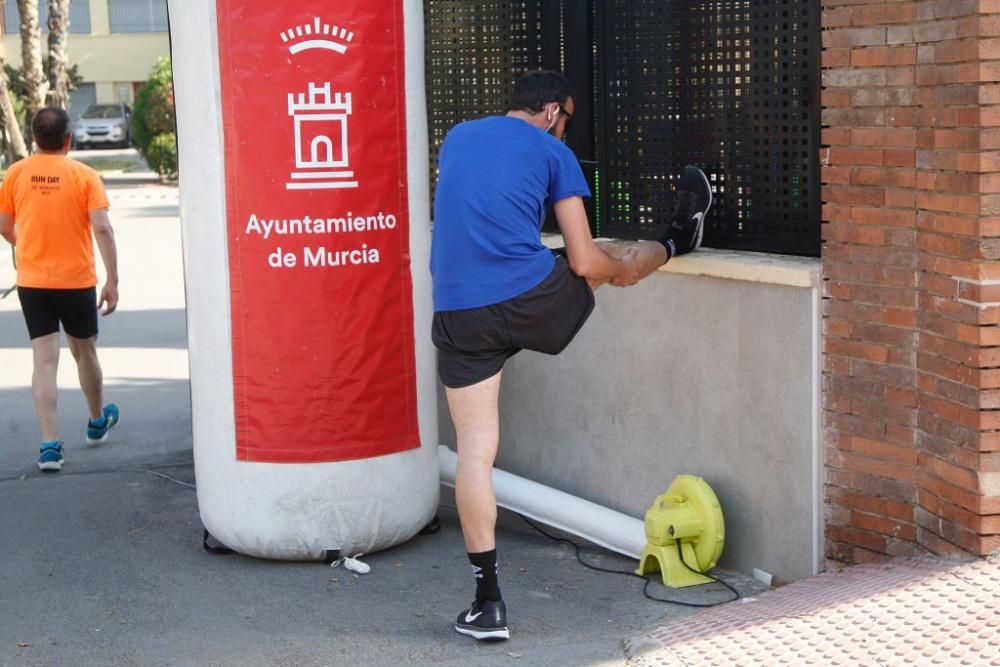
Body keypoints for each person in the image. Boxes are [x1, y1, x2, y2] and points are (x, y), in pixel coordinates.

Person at [430, 69, 712, 641]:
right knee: (609, 256)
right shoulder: (552, 152)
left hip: (458, 313)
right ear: (554, 111)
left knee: (474, 457)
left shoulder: (457, 136)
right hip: (530, 303)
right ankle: (680, 235)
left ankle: (487, 604)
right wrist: (615, 270)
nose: (566, 134)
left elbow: (477, 205)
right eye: (568, 122)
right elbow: (582, 262)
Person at [0, 107, 121, 473]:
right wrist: (113, 280)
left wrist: (27, 244)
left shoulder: (17, 173)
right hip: (76, 280)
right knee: (84, 353)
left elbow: (5, 225)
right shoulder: (84, 175)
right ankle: (97, 421)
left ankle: (49, 445)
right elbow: (102, 228)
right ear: (69, 138)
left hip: (34, 283)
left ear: (35, 138)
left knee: (44, 360)